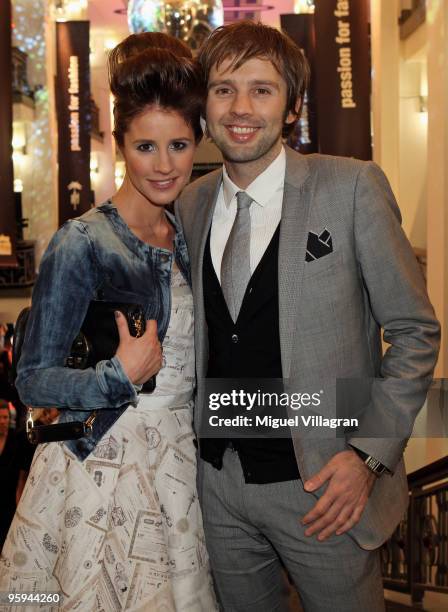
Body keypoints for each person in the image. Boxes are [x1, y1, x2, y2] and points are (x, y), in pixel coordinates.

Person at [175, 20, 441, 612]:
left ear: (292, 105)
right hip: (218, 489)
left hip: (324, 488)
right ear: (205, 106)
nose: (241, 107)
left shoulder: (350, 187)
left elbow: (414, 331)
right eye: (223, 89)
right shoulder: (190, 205)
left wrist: (370, 455)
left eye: (261, 89)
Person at [0, 32, 217, 611]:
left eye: (178, 144)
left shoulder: (191, 236)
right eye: (146, 146)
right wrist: (117, 375)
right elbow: (32, 379)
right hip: (99, 467)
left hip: (179, 467)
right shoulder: (82, 241)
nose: (165, 165)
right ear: (120, 143)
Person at [0, 400, 34, 548]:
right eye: (0, 418)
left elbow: (22, 475)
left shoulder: (17, 440)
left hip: (9, 501)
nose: (3, 421)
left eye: (5, 417)